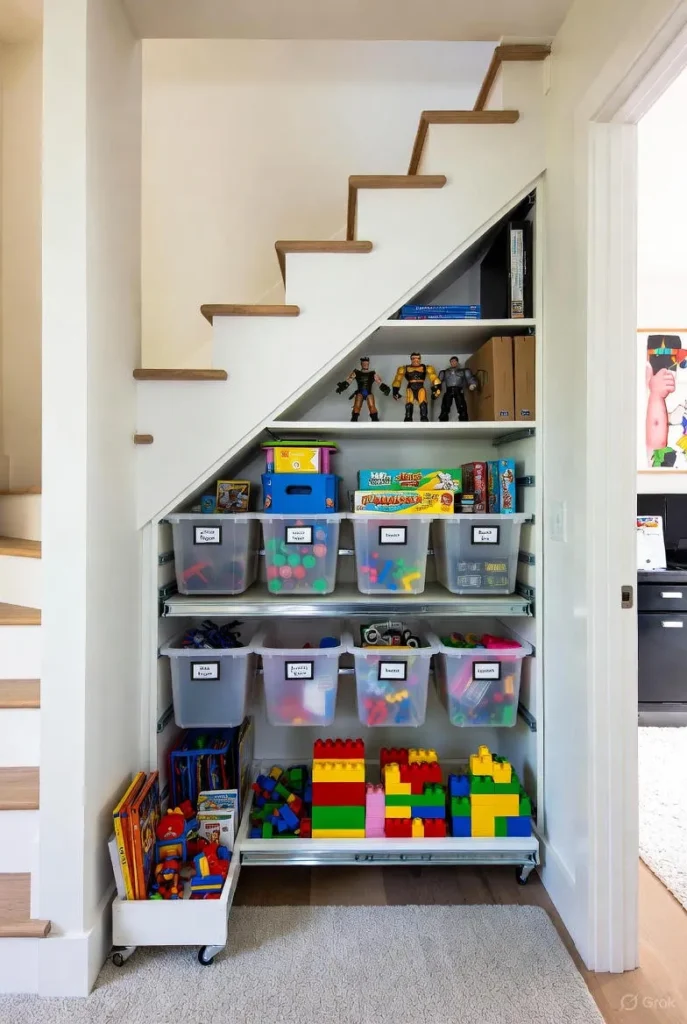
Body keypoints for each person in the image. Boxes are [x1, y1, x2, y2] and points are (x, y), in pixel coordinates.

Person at [335, 357, 391, 422]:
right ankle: (354, 420)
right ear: (361, 364)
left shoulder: (372, 373)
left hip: (368, 392)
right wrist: (342, 387)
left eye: (366, 364)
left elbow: (379, 381)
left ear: (368, 364)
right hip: (360, 392)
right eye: (364, 363)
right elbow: (349, 380)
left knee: (372, 406)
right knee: (357, 406)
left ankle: (375, 420)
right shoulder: (356, 372)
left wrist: (385, 388)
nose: (365, 365)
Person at [392, 352, 441, 422]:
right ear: (411, 359)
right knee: (409, 403)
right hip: (410, 387)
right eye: (413, 358)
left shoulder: (426, 367)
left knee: (423, 403)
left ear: (420, 359)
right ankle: (408, 418)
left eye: (418, 358)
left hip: (420, 387)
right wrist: (395, 390)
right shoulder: (404, 368)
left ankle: (424, 418)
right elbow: (398, 379)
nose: (416, 360)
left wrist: (437, 388)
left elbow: (434, 378)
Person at [438, 356, 478, 421]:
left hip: (458, 390)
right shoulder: (445, 372)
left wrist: (472, 384)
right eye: (452, 361)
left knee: (461, 405)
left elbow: (470, 378)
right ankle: (443, 419)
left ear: (457, 362)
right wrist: (436, 389)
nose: (453, 363)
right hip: (449, 390)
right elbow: (438, 382)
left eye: (454, 361)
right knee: (445, 406)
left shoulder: (464, 371)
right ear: (450, 362)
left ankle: (463, 419)